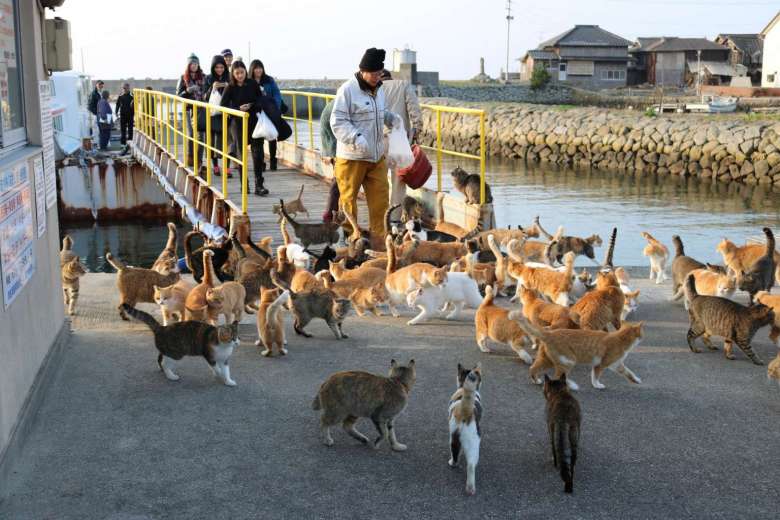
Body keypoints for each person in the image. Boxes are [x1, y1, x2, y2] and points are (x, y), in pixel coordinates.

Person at [330, 47, 400, 237]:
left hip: (376, 156)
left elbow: (378, 113)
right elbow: (337, 121)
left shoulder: (380, 90)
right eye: (374, 73)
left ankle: (380, 242)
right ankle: (350, 241)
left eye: (380, 73)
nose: (378, 77)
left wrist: (390, 118)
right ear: (363, 71)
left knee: (381, 201)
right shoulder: (347, 90)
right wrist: (356, 138)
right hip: (352, 157)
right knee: (348, 201)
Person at [379, 69, 422, 221]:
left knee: (378, 179)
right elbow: (414, 109)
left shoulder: (374, 88)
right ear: (391, 77)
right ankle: (395, 220)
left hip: (379, 139)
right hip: (400, 140)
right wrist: (416, 129)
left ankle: (380, 217)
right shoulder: (403, 85)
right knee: (398, 181)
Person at [220, 60, 268, 196]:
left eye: (242, 72)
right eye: (237, 73)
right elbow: (222, 106)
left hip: (254, 120)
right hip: (237, 122)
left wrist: (252, 105)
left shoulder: (252, 84)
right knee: (241, 154)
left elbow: (261, 100)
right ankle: (244, 185)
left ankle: (259, 185)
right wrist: (237, 109)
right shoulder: (229, 87)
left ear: (246, 72)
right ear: (233, 74)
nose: (240, 75)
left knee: (258, 153)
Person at [249, 59, 282, 172]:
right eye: (256, 68)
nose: (258, 70)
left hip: (270, 110)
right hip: (257, 113)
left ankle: (273, 160)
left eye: (260, 68)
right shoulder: (249, 81)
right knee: (260, 137)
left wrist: (275, 106)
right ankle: (261, 162)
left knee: (272, 135)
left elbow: (277, 94)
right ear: (252, 70)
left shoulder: (269, 80)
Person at [176, 53, 205, 170]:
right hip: (188, 109)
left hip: (201, 109)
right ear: (188, 65)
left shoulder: (203, 77)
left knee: (201, 136)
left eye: (196, 64)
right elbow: (178, 95)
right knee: (191, 134)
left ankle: (199, 161)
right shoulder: (183, 78)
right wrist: (187, 90)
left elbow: (207, 91)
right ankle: (190, 158)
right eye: (192, 64)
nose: (194, 66)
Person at [204, 54, 231, 176]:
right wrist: (212, 88)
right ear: (213, 68)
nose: (219, 70)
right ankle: (215, 166)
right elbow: (204, 97)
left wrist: (228, 87)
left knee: (227, 142)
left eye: (222, 67)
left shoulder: (229, 77)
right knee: (212, 141)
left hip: (226, 114)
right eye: (217, 67)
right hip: (213, 115)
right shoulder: (208, 79)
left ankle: (227, 168)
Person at [320, 99, 340, 223]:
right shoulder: (338, 106)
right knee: (338, 181)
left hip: (331, 146)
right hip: (335, 148)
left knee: (338, 181)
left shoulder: (334, 103)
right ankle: (329, 213)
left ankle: (332, 212)